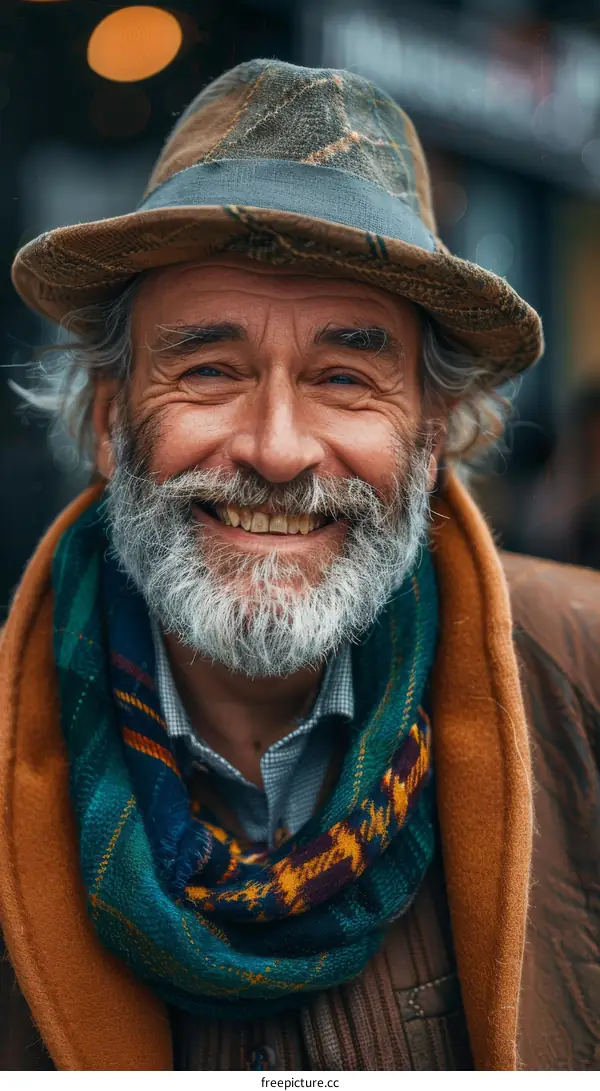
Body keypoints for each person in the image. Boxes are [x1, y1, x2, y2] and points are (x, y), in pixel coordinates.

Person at [0, 59, 598, 1073]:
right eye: (209, 368)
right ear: (109, 419)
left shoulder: (582, 683)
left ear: (432, 432)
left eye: (344, 376)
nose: (278, 450)